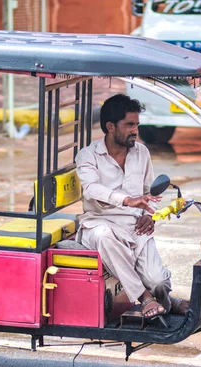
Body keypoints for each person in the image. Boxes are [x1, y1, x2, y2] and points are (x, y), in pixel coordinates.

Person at [75, 94, 188, 322]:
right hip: (99, 224)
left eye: (136, 124)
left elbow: (151, 193)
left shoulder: (142, 153)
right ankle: (144, 298)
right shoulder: (88, 156)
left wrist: (149, 216)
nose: (135, 130)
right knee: (104, 236)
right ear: (110, 127)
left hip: (135, 227)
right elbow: (92, 190)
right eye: (129, 125)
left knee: (158, 280)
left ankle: (166, 302)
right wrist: (127, 200)